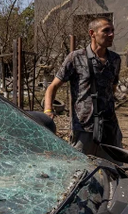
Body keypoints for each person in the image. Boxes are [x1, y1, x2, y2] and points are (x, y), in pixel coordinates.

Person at [43, 17, 122, 156]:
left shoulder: (115, 59)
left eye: (112, 30)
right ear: (92, 33)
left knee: (114, 166)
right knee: (81, 168)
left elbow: (113, 87)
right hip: (84, 127)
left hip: (110, 125)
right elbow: (53, 86)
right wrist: (48, 111)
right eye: (106, 30)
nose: (111, 34)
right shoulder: (76, 57)